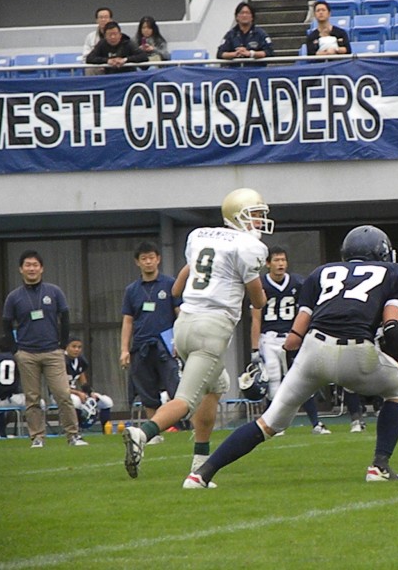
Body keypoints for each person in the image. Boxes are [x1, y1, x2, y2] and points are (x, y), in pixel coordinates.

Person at [183, 225, 398, 488]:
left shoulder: (321, 272)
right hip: (357, 352)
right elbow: (393, 328)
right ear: (382, 252)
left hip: (313, 349)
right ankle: (379, 466)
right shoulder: (395, 273)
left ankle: (201, 474)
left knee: (269, 422)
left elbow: (293, 338)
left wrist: (297, 370)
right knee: (397, 388)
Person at [123, 188, 273, 481]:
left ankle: (200, 463)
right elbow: (258, 301)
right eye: (254, 215)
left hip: (184, 325)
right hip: (211, 328)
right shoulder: (247, 247)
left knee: (217, 385)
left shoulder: (203, 237)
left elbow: (176, 288)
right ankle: (143, 433)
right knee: (186, 400)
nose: (259, 221)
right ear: (237, 216)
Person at [2, 250, 87, 447]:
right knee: (32, 398)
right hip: (27, 353)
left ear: (42, 268)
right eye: (27, 265)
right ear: (21, 269)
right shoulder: (14, 297)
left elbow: (65, 317)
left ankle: (73, 435)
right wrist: (15, 350)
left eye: (35, 265)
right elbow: (6, 323)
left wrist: (62, 345)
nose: (31, 269)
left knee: (63, 394)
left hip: (52, 352)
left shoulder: (54, 291)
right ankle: (37, 437)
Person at [250, 245, 331, 435]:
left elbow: (307, 311)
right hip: (269, 339)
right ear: (268, 264)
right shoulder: (261, 284)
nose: (280, 264)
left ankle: (316, 423)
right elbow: (256, 318)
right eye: (276, 260)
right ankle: (272, 424)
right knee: (273, 380)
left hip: (291, 337)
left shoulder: (297, 283)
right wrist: (254, 349)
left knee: (302, 379)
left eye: (283, 260)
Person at [120, 241, 181, 437]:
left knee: (176, 388)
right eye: (144, 258)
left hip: (166, 345)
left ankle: (183, 427)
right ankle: (153, 434)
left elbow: (179, 314)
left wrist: (180, 341)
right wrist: (124, 349)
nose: (148, 262)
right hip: (141, 346)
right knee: (147, 393)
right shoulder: (132, 290)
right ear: (137, 262)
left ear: (158, 259)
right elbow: (127, 321)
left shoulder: (169, 284)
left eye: (151, 258)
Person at [64, 336, 113, 430]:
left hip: (74, 392)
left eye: (79, 347)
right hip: (60, 394)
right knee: (76, 401)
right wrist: (78, 393)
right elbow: (59, 387)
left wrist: (90, 393)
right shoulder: (60, 361)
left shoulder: (80, 361)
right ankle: (75, 431)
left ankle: (106, 431)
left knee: (106, 401)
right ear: (66, 347)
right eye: (73, 346)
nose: (77, 349)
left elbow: (83, 382)